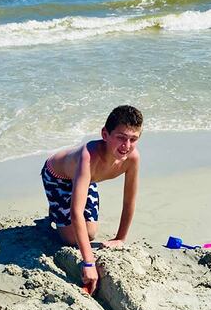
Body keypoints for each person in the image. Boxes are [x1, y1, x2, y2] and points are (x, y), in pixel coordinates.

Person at [41, 105, 143, 294]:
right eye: (121, 137)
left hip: (86, 180)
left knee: (91, 233)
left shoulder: (132, 159)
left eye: (133, 139)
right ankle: (54, 213)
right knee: (72, 239)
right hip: (57, 176)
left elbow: (129, 201)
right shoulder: (89, 156)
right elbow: (76, 212)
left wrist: (120, 238)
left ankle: (60, 210)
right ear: (105, 134)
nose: (126, 145)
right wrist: (88, 262)